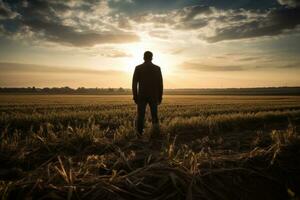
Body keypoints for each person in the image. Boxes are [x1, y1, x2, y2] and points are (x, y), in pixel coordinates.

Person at [132, 51, 163, 136]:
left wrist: (135, 96)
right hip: (153, 95)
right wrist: (160, 97)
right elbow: (160, 84)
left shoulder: (138, 68)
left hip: (142, 95)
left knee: (140, 116)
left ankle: (139, 135)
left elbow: (134, 84)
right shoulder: (157, 68)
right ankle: (155, 133)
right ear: (152, 57)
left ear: (143, 57)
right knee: (154, 115)